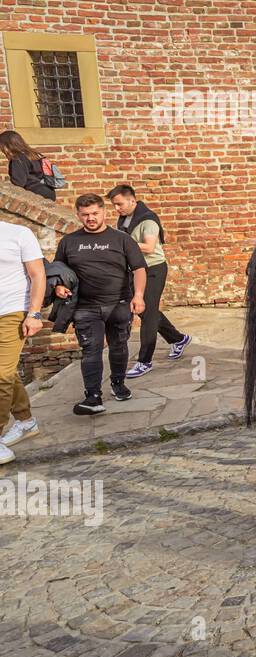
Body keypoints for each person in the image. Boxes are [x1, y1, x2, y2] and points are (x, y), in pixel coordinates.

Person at [53, 194, 147, 415]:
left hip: (119, 303)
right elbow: (58, 271)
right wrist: (58, 287)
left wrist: (139, 295)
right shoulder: (68, 242)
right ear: (78, 215)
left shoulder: (122, 239)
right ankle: (93, 397)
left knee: (118, 346)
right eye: (85, 215)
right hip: (85, 307)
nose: (90, 218)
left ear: (104, 212)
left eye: (95, 213)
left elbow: (139, 269)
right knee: (90, 350)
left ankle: (118, 383)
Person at [109, 184, 192, 378]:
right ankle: (178, 339)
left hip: (154, 269)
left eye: (119, 204)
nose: (116, 209)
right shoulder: (124, 218)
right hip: (135, 270)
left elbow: (149, 246)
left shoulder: (148, 219)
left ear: (132, 200)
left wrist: (121, 244)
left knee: (147, 311)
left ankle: (144, 361)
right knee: (147, 311)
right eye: (114, 205)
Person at [0, 219, 46, 460]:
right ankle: (26, 420)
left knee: (1, 375)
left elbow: (38, 274)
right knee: (7, 372)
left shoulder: (18, 233)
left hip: (12, 311)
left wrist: (34, 313)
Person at [0, 130, 56, 202]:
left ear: (8, 145)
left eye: (2, 147)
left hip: (35, 194)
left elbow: (18, 183)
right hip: (49, 192)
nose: (2, 150)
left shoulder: (18, 158)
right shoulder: (34, 154)